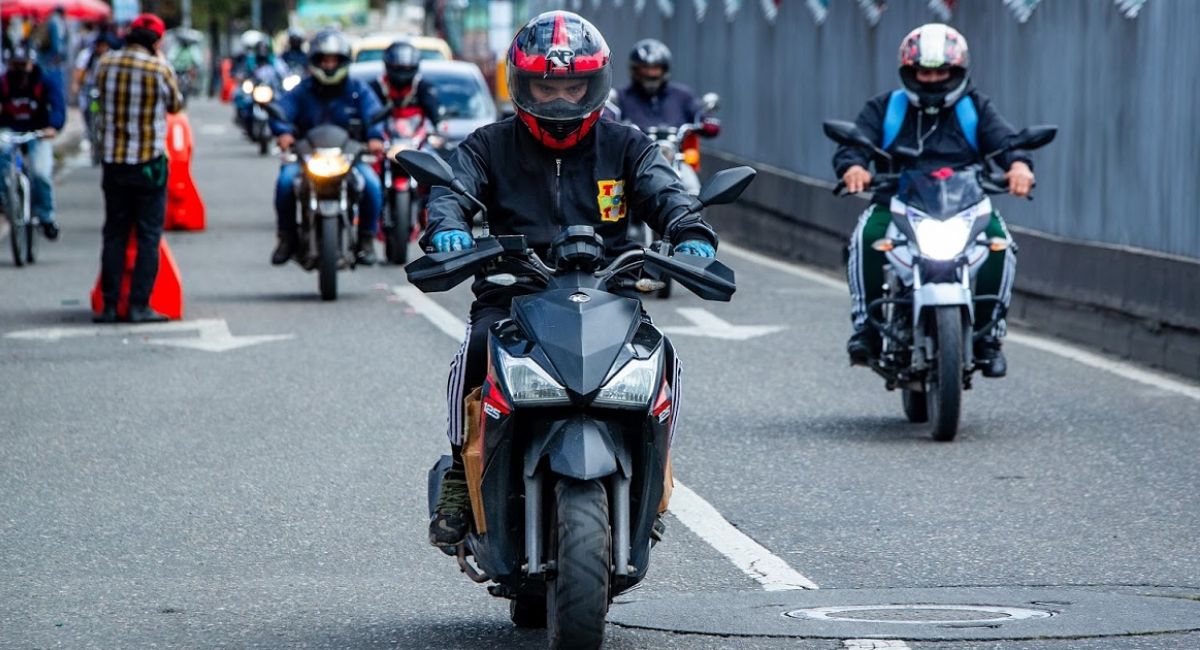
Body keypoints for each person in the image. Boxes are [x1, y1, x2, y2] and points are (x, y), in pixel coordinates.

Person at [424, 11, 719, 548]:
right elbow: (453, 190)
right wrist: (448, 227)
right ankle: (457, 480)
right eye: (546, 84)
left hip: (610, 292)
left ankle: (651, 485)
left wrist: (689, 229)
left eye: (572, 84)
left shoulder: (626, 143)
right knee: (476, 348)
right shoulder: (489, 144)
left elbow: (665, 191)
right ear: (522, 84)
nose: (560, 98)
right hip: (514, 294)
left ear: (595, 83)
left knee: (662, 357)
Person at [833, 23, 1035, 378]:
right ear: (909, 72)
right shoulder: (886, 107)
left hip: (966, 205)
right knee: (864, 238)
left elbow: (1007, 143)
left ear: (957, 71)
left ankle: (990, 337)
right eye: (924, 71)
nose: (932, 79)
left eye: (941, 71)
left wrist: (1018, 167)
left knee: (1002, 245)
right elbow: (854, 144)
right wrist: (854, 169)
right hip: (895, 202)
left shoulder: (975, 108)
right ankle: (867, 326)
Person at [93, 13, 182, 324]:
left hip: (113, 164)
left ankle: (108, 306)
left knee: (114, 232)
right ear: (157, 42)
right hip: (149, 166)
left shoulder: (105, 63)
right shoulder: (159, 67)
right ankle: (139, 306)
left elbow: (96, 99)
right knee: (147, 236)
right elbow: (175, 105)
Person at [269, 29, 385, 266]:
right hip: (307, 157)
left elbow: (374, 115)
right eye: (325, 60)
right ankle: (287, 238)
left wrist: (374, 138)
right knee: (284, 183)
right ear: (315, 61)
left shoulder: (357, 89)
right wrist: (283, 133)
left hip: (349, 156)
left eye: (334, 60)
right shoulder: (302, 90)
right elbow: (281, 111)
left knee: (372, 185)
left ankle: (366, 240)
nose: (330, 65)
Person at [0, 45, 66, 241]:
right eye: (16, 64)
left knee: (40, 173)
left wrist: (53, 127)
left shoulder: (44, 81)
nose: (20, 69)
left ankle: (46, 217)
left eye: (24, 64)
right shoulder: (3, 83)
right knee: (2, 162)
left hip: (38, 132)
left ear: (32, 64)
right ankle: (5, 200)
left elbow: (58, 107)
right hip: (9, 131)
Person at [615, 38, 719, 137]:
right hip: (634, 153)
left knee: (692, 153)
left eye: (656, 68)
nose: (650, 73)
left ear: (664, 69)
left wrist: (708, 122)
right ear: (635, 69)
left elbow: (699, 114)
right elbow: (606, 116)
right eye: (645, 68)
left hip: (677, 152)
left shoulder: (683, 96)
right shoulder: (620, 96)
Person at [370, 39, 440, 126]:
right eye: (397, 67)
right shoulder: (377, 87)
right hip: (383, 136)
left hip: (417, 136)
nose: (402, 73)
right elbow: (369, 118)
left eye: (407, 68)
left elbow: (435, 116)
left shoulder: (423, 87)